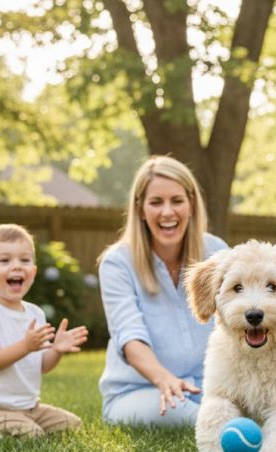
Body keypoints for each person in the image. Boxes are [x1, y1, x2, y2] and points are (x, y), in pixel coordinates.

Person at [97, 156, 228, 426]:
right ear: (141, 209)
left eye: (176, 200)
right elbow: (130, 337)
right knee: (202, 418)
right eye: (156, 202)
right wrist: (164, 379)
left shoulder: (217, 253)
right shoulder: (117, 263)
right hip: (141, 391)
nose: (167, 212)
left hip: (209, 387)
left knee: (237, 410)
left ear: (191, 204)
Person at [0, 223, 88, 439]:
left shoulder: (35, 314)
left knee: (72, 426)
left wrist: (57, 350)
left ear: (33, 272)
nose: (17, 266)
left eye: (25, 260)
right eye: (5, 260)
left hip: (28, 408)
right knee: (31, 436)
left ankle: (12, 427)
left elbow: (42, 366)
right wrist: (25, 346)